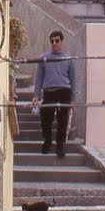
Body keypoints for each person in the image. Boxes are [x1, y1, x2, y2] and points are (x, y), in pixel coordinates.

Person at [33, 30, 76, 159]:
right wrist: (36, 95)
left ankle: (60, 146)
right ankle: (47, 141)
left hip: (64, 91)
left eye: (57, 41)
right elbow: (39, 77)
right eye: (52, 41)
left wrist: (73, 98)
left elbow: (73, 79)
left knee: (62, 120)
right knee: (46, 118)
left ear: (61, 41)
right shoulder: (44, 58)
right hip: (49, 91)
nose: (54, 43)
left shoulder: (68, 59)